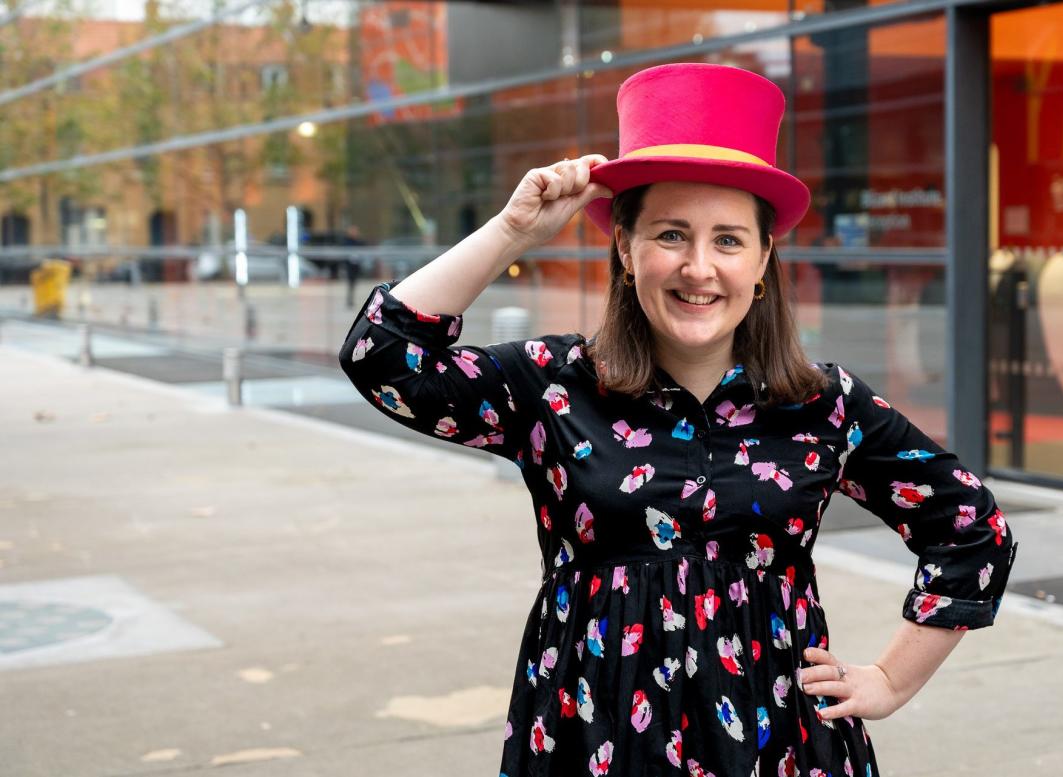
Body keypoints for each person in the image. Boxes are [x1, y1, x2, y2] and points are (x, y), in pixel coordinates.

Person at [338, 62, 1018, 777]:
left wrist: (892, 679)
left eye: (728, 239)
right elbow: (382, 356)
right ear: (626, 250)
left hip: (777, 743)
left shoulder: (823, 403)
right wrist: (512, 233)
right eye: (670, 234)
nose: (699, 267)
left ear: (762, 262)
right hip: (594, 738)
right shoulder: (554, 385)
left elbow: (972, 529)